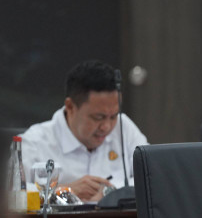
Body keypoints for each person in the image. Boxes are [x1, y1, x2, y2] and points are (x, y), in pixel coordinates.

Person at [20, 60, 148, 202]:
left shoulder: (124, 127)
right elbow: (10, 195)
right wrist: (64, 192)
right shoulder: (35, 142)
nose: (107, 126)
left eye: (113, 116)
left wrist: (109, 191)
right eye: (98, 117)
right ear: (70, 107)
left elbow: (152, 178)